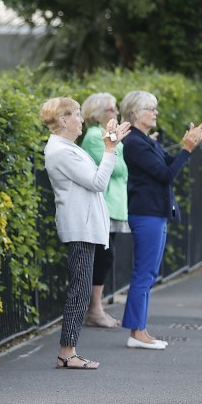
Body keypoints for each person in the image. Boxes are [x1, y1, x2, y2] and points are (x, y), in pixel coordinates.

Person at [41, 96, 130, 369]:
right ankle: (67, 352)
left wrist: (110, 147)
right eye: (77, 114)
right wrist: (109, 149)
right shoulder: (61, 150)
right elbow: (98, 182)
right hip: (80, 227)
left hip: (85, 225)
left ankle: (68, 351)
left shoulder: (67, 147)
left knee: (81, 288)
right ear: (63, 119)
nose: (81, 119)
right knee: (79, 289)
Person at [119, 91, 202, 349]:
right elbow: (167, 174)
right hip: (146, 213)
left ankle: (139, 330)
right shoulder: (135, 143)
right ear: (135, 113)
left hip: (154, 212)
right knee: (144, 273)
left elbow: (170, 162)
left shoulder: (145, 140)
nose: (155, 112)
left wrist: (188, 146)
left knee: (148, 272)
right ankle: (137, 332)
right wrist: (187, 148)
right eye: (151, 108)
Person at [79, 92, 128, 328]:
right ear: (97, 114)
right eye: (111, 109)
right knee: (103, 257)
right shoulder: (92, 136)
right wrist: (115, 145)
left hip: (115, 204)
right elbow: (117, 168)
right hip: (104, 205)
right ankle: (94, 310)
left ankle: (97, 308)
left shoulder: (106, 135)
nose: (116, 113)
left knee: (107, 257)